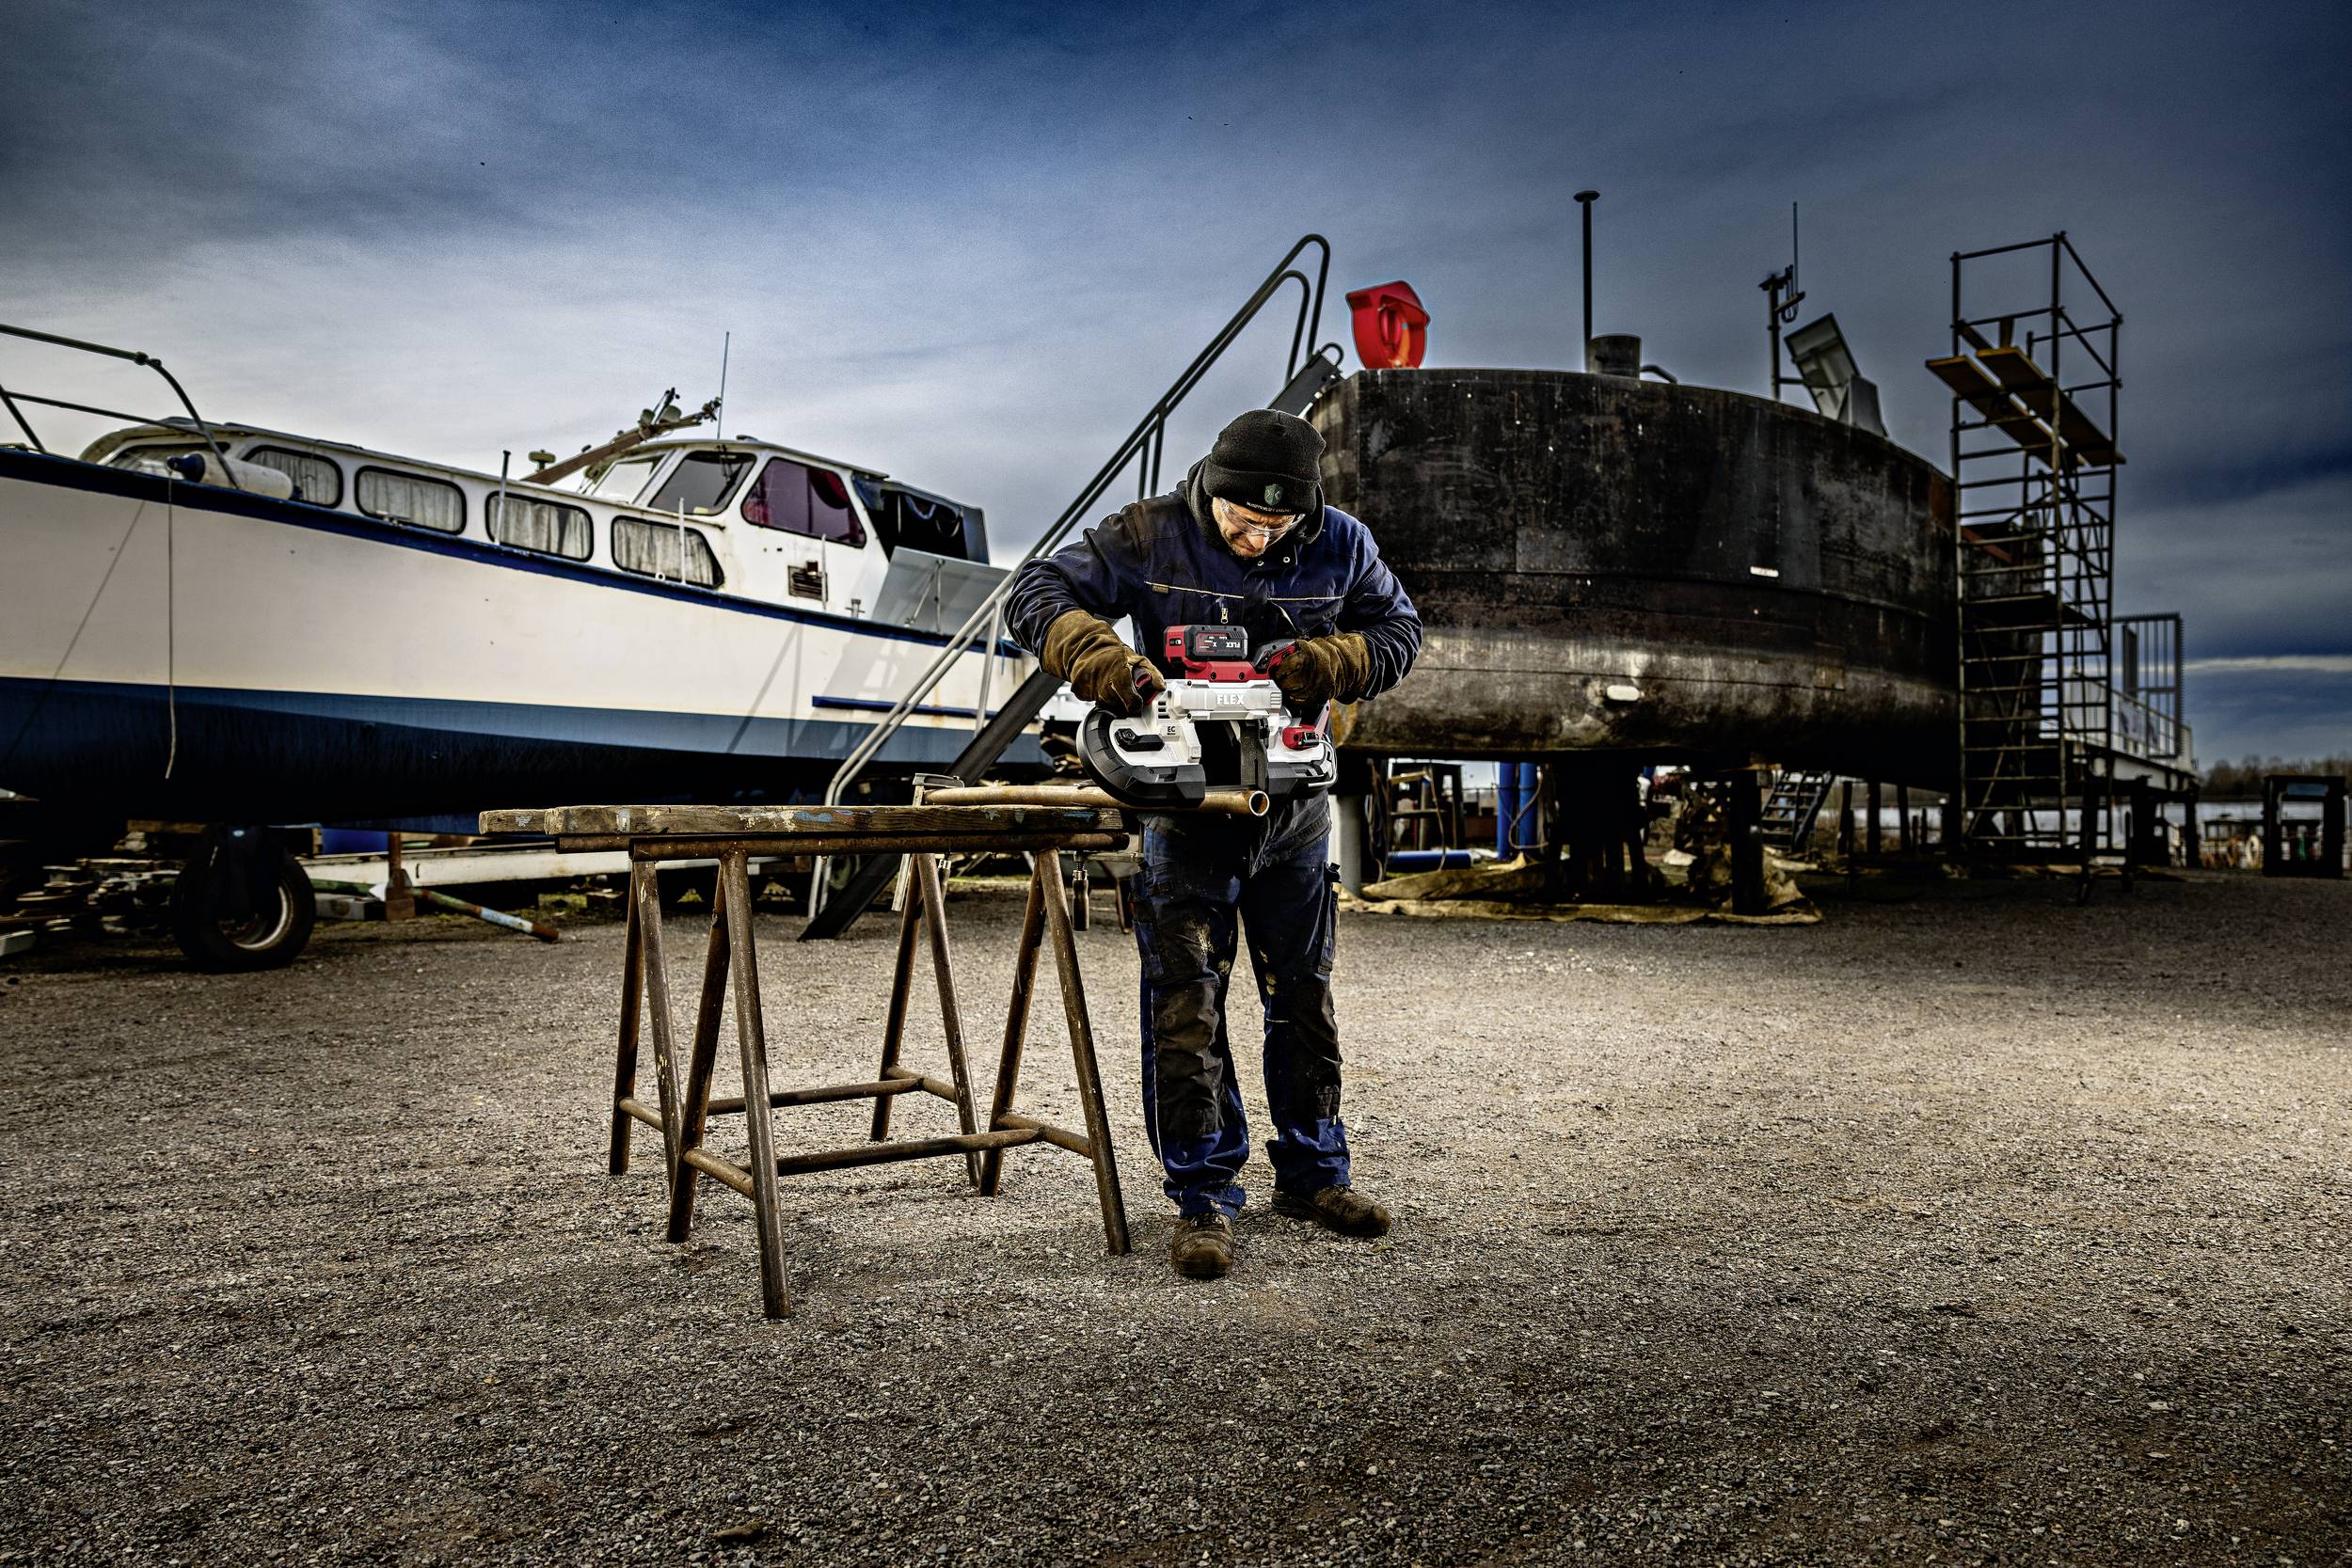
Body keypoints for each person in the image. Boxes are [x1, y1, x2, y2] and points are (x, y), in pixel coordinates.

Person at [1007, 408, 1422, 1279]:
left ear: (1304, 513)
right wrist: (1098, 656)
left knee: (1303, 992)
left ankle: (1314, 1173)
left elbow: (1399, 632)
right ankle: (1202, 1197)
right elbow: (1036, 590)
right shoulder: (1148, 532)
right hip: (1186, 809)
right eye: (1240, 520)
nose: (1254, 536)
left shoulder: (1343, 544)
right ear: (1211, 489)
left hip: (1294, 804)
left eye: (1274, 527)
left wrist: (1332, 661)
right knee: (1186, 1000)